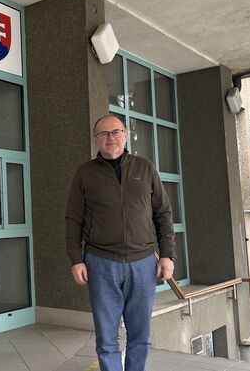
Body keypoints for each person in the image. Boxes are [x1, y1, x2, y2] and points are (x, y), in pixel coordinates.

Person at [65, 115, 175, 371]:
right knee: (106, 338)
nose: (110, 138)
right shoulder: (85, 174)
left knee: (140, 336)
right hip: (101, 263)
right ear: (95, 139)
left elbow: (163, 214)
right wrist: (76, 259)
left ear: (125, 135)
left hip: (143, 263)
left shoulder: (145, 168)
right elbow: (73, 219)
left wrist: (167, 255)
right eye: (103, 133)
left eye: (116, 132)